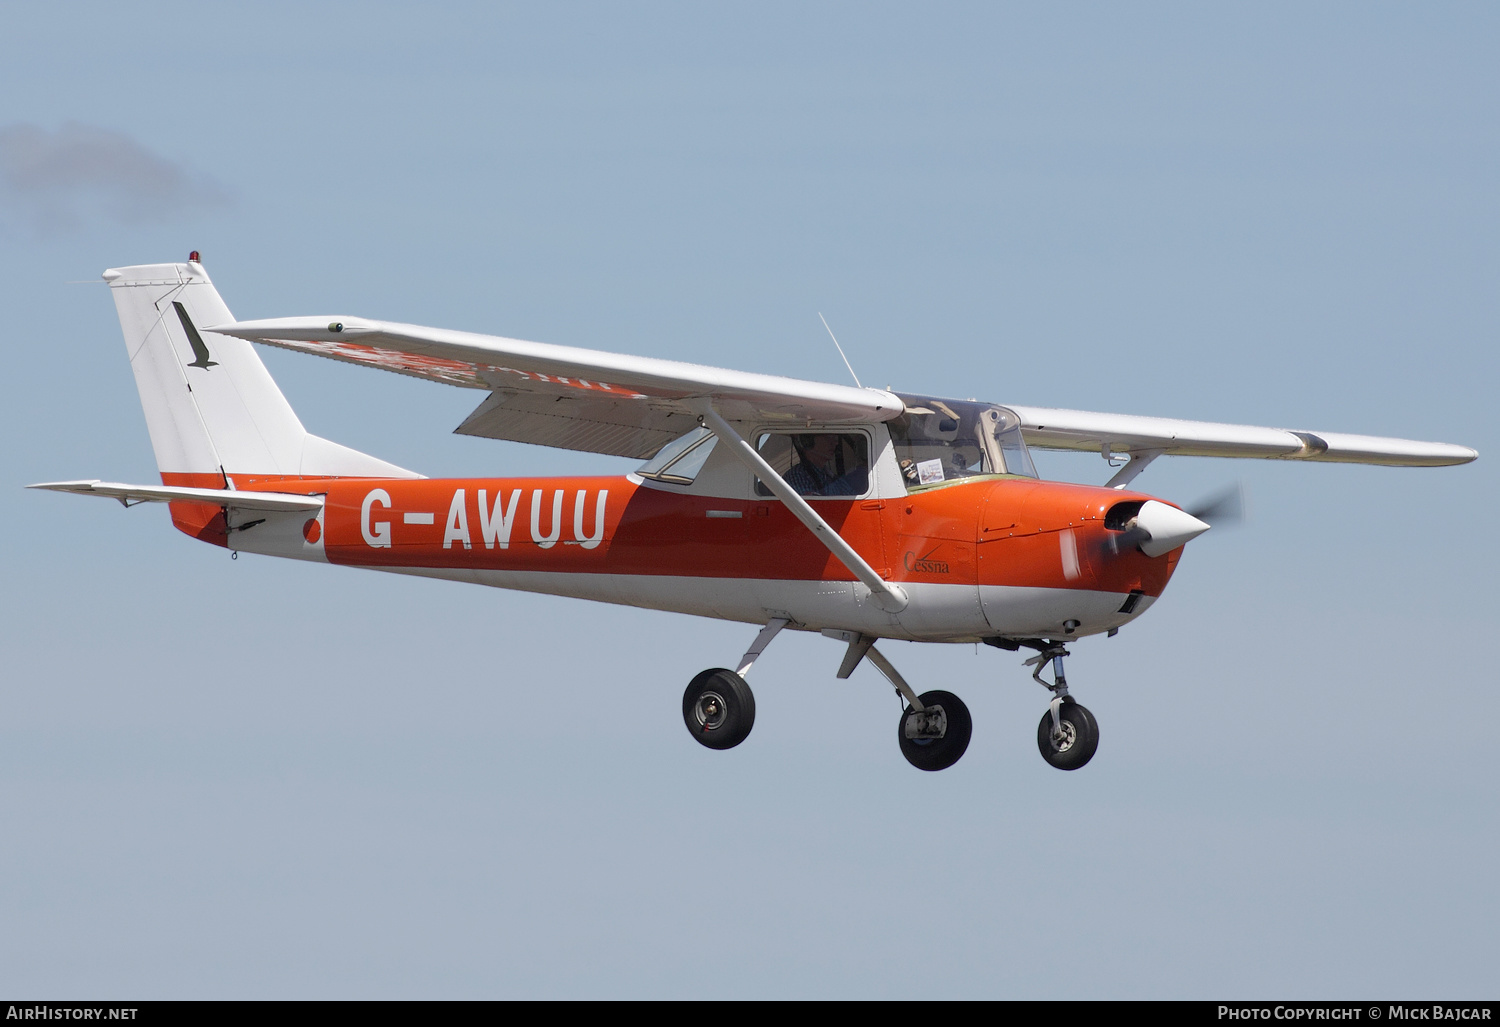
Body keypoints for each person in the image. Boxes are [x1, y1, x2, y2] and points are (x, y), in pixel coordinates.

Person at [783, 434, 866, 496]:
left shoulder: (829, 475)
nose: (835, 443)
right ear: (808, 441)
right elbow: (814, 508)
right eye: (828, 438)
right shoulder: (797, 475)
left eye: (835, 438)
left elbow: (850, 495)